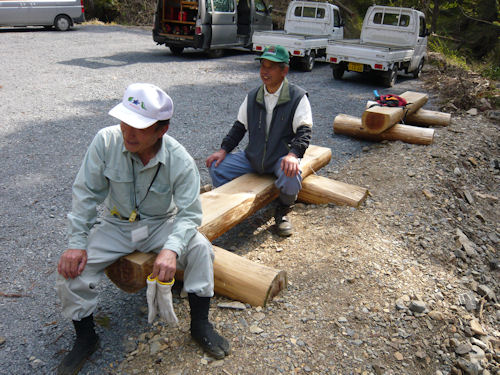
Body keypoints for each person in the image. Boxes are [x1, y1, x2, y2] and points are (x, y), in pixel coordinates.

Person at [56, 83, 229, 375]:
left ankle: (200, 325)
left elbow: (189, 213)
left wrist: (172, 249)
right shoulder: (105, 141)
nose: (128, 132)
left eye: (138, 126)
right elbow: (85, 194)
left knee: (200, 249)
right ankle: (86, 338)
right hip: (115, 223)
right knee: (70, 270)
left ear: (161, 130)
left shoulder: (179, 159)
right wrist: (76, 243)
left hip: (162, 223)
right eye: (125, 121)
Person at [205, 45, 313, 237]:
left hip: (280, 159)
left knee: (292, 174)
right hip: (253, 158)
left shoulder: (298, 97)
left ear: (284, 70)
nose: (265, 71)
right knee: (216, 166)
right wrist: (223, 150)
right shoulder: (253, 96)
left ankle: (283, 210)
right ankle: (233, 206)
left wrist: (292, 155)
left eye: (271, 66)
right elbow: (239, 127)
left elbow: (304, 132)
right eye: (263, 65)